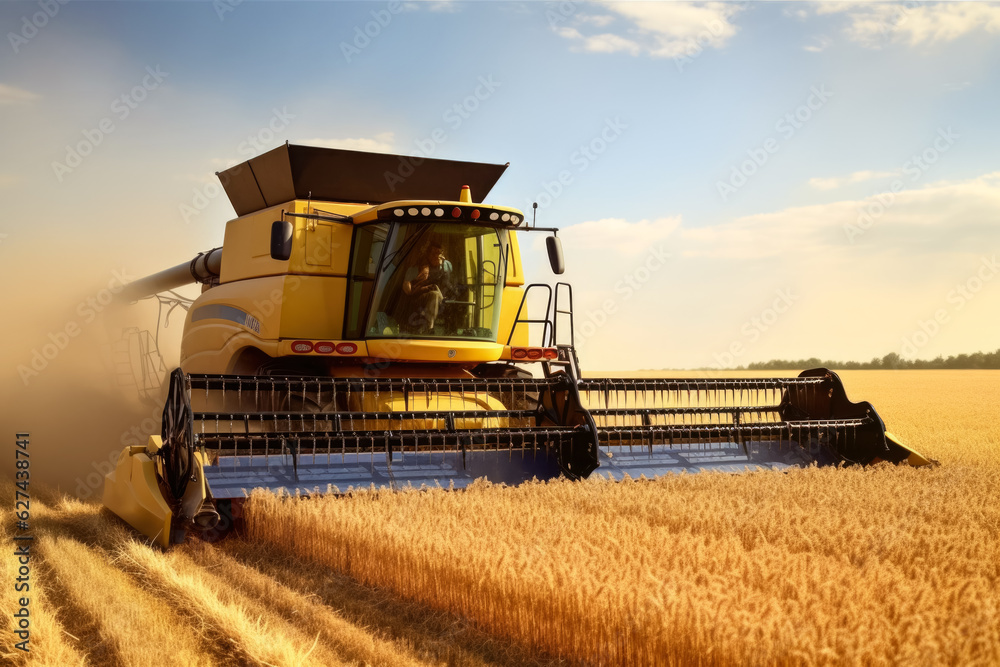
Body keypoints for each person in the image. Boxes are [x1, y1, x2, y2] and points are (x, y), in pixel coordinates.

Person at [401, 240, 453, 333]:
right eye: (433, 253)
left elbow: (451, 284)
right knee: (434, 294)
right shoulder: (417, 268)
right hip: (419, 301)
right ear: (428, 254)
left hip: (442, 302)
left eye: (439, 253)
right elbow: (408, 290)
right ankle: (429, 328)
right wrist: (423, 289)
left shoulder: (446, 267)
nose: (436, 256)